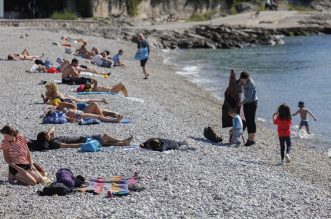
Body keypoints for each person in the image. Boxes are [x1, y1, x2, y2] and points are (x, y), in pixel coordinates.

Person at [28, 127, 133, 151]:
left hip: (83, 139)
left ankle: (123, 143)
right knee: (103, 136)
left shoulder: (52, 139)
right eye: (49, 136)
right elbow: (68, 146)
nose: (51, 135)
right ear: (46, 140)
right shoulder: (55, 142)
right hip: (83, 140)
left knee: (105, 143)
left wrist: (48, 133)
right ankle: (123, 140)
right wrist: (82, 145)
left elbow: (53, 128)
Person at [41, 83, 108, 106]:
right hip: (66, 100)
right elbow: (46, 102)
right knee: (83, 101)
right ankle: (101, 100)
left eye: (47, 88)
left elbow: (55, 100)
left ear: (51, 88)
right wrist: (43, 98)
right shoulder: (48, 93)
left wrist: (48, 97)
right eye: (46, 88)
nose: (47, 89)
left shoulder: (55, 92)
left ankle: (101, 100)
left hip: (68, 98)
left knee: (83, 101)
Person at [240, 71, 258, 146]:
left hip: (252, 103)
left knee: (251, 120)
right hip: (246, 103)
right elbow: (238, 84)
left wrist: (240, 103)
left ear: (246, 78)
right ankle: (249, 139)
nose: (241, 80)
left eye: (242, 79)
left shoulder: (251, 84)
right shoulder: (244, 80)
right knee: (247, 120)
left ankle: (252, 139)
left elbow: (248, 97)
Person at [55, 108, 123, 123]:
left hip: (79, 114)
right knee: (98, 117)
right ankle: (115, 120)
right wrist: (71, 119)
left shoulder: (59, 111)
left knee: (98, 116)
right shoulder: (60, 114)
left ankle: (113, 118)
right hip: (79, 115)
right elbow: (67, 118)